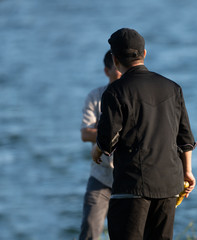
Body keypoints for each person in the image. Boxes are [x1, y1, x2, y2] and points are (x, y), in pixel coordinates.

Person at [92, 28, 197, 240]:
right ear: (144, 54)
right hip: (168, 186)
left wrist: (98, 148)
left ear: (115, 58)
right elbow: (185, 138)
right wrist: (187, 171)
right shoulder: (173, 88)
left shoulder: (115, 91)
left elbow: (108, 139)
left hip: (132, 187)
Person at [79, 50, 121, 240]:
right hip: (101, 177)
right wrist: (114, 133)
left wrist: (104, 132)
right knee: (89, 230)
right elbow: (85, 134)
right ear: (107, 71)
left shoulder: (134, 95)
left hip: (128, 179)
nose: (121, 71)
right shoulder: (95, 96)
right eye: (116, 67)